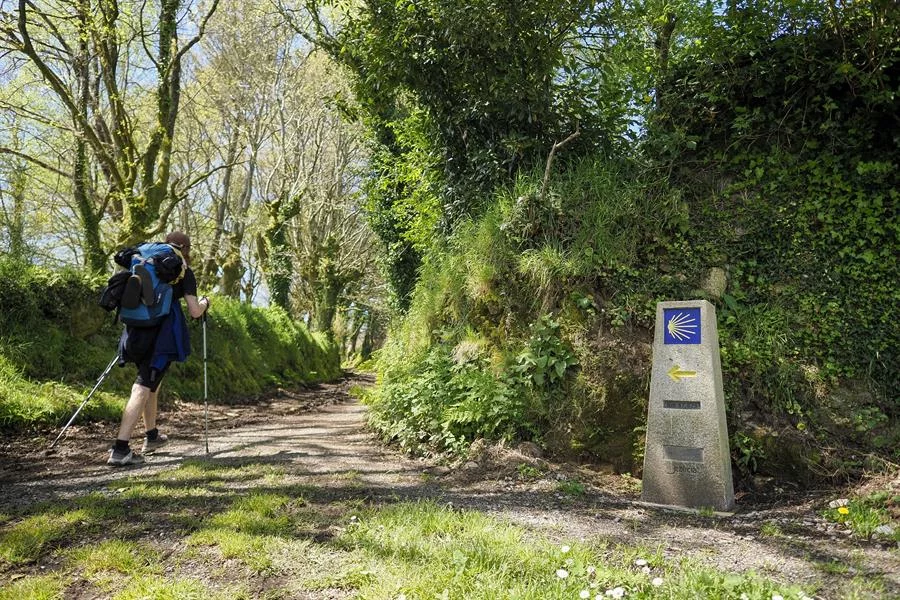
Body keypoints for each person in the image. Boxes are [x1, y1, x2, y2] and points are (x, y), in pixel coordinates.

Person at [107, 231, 210, 466]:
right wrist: (205, 302)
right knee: (142, 386)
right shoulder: (182, 271)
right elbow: (195, 311)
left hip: (133, 332)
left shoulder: (142, 261)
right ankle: (121, 449)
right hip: (162, 336)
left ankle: (152, 436)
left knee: (153, 384)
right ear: (184, 248)